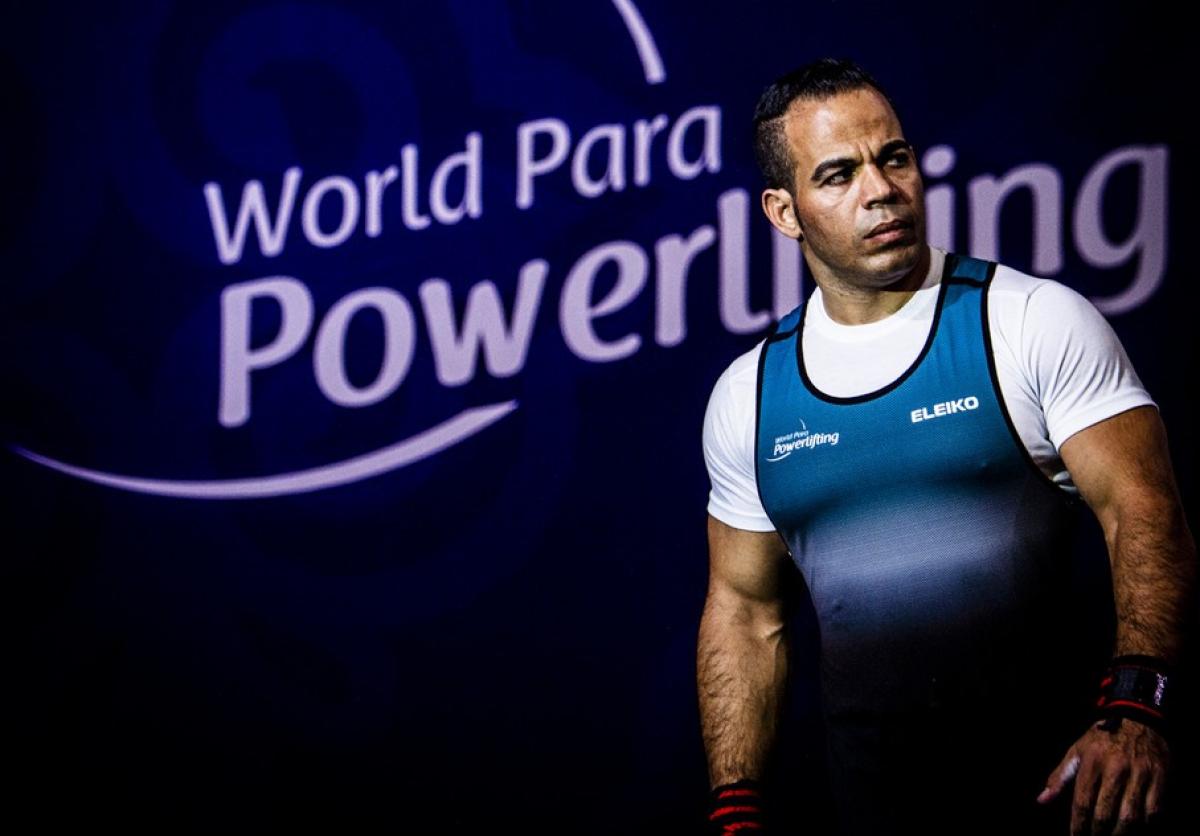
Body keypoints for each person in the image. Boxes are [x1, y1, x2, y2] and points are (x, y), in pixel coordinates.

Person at [697, 58, 1195, 836]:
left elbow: (1144, 511)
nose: (880, 189)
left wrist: (1138, 711)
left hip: (1069, 809)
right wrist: (735, 810)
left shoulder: (1031, 320)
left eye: (892, 157)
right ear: (784, 212)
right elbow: (744, 609)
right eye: (837, 175)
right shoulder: (748, 396)